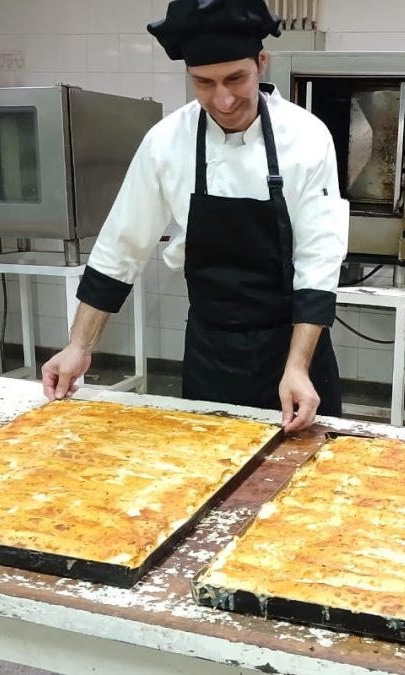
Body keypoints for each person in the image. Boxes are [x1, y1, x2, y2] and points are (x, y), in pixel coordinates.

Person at [41, 0, 349, 433]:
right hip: (211, 350)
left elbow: (318, 260)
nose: (222, 99)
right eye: (203, 83)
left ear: (261, 63)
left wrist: (297, 367)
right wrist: (79, 346)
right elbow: (121, 247)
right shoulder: (166, 140)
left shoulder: (307, 137)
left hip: (294, 349)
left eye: (235, 79)